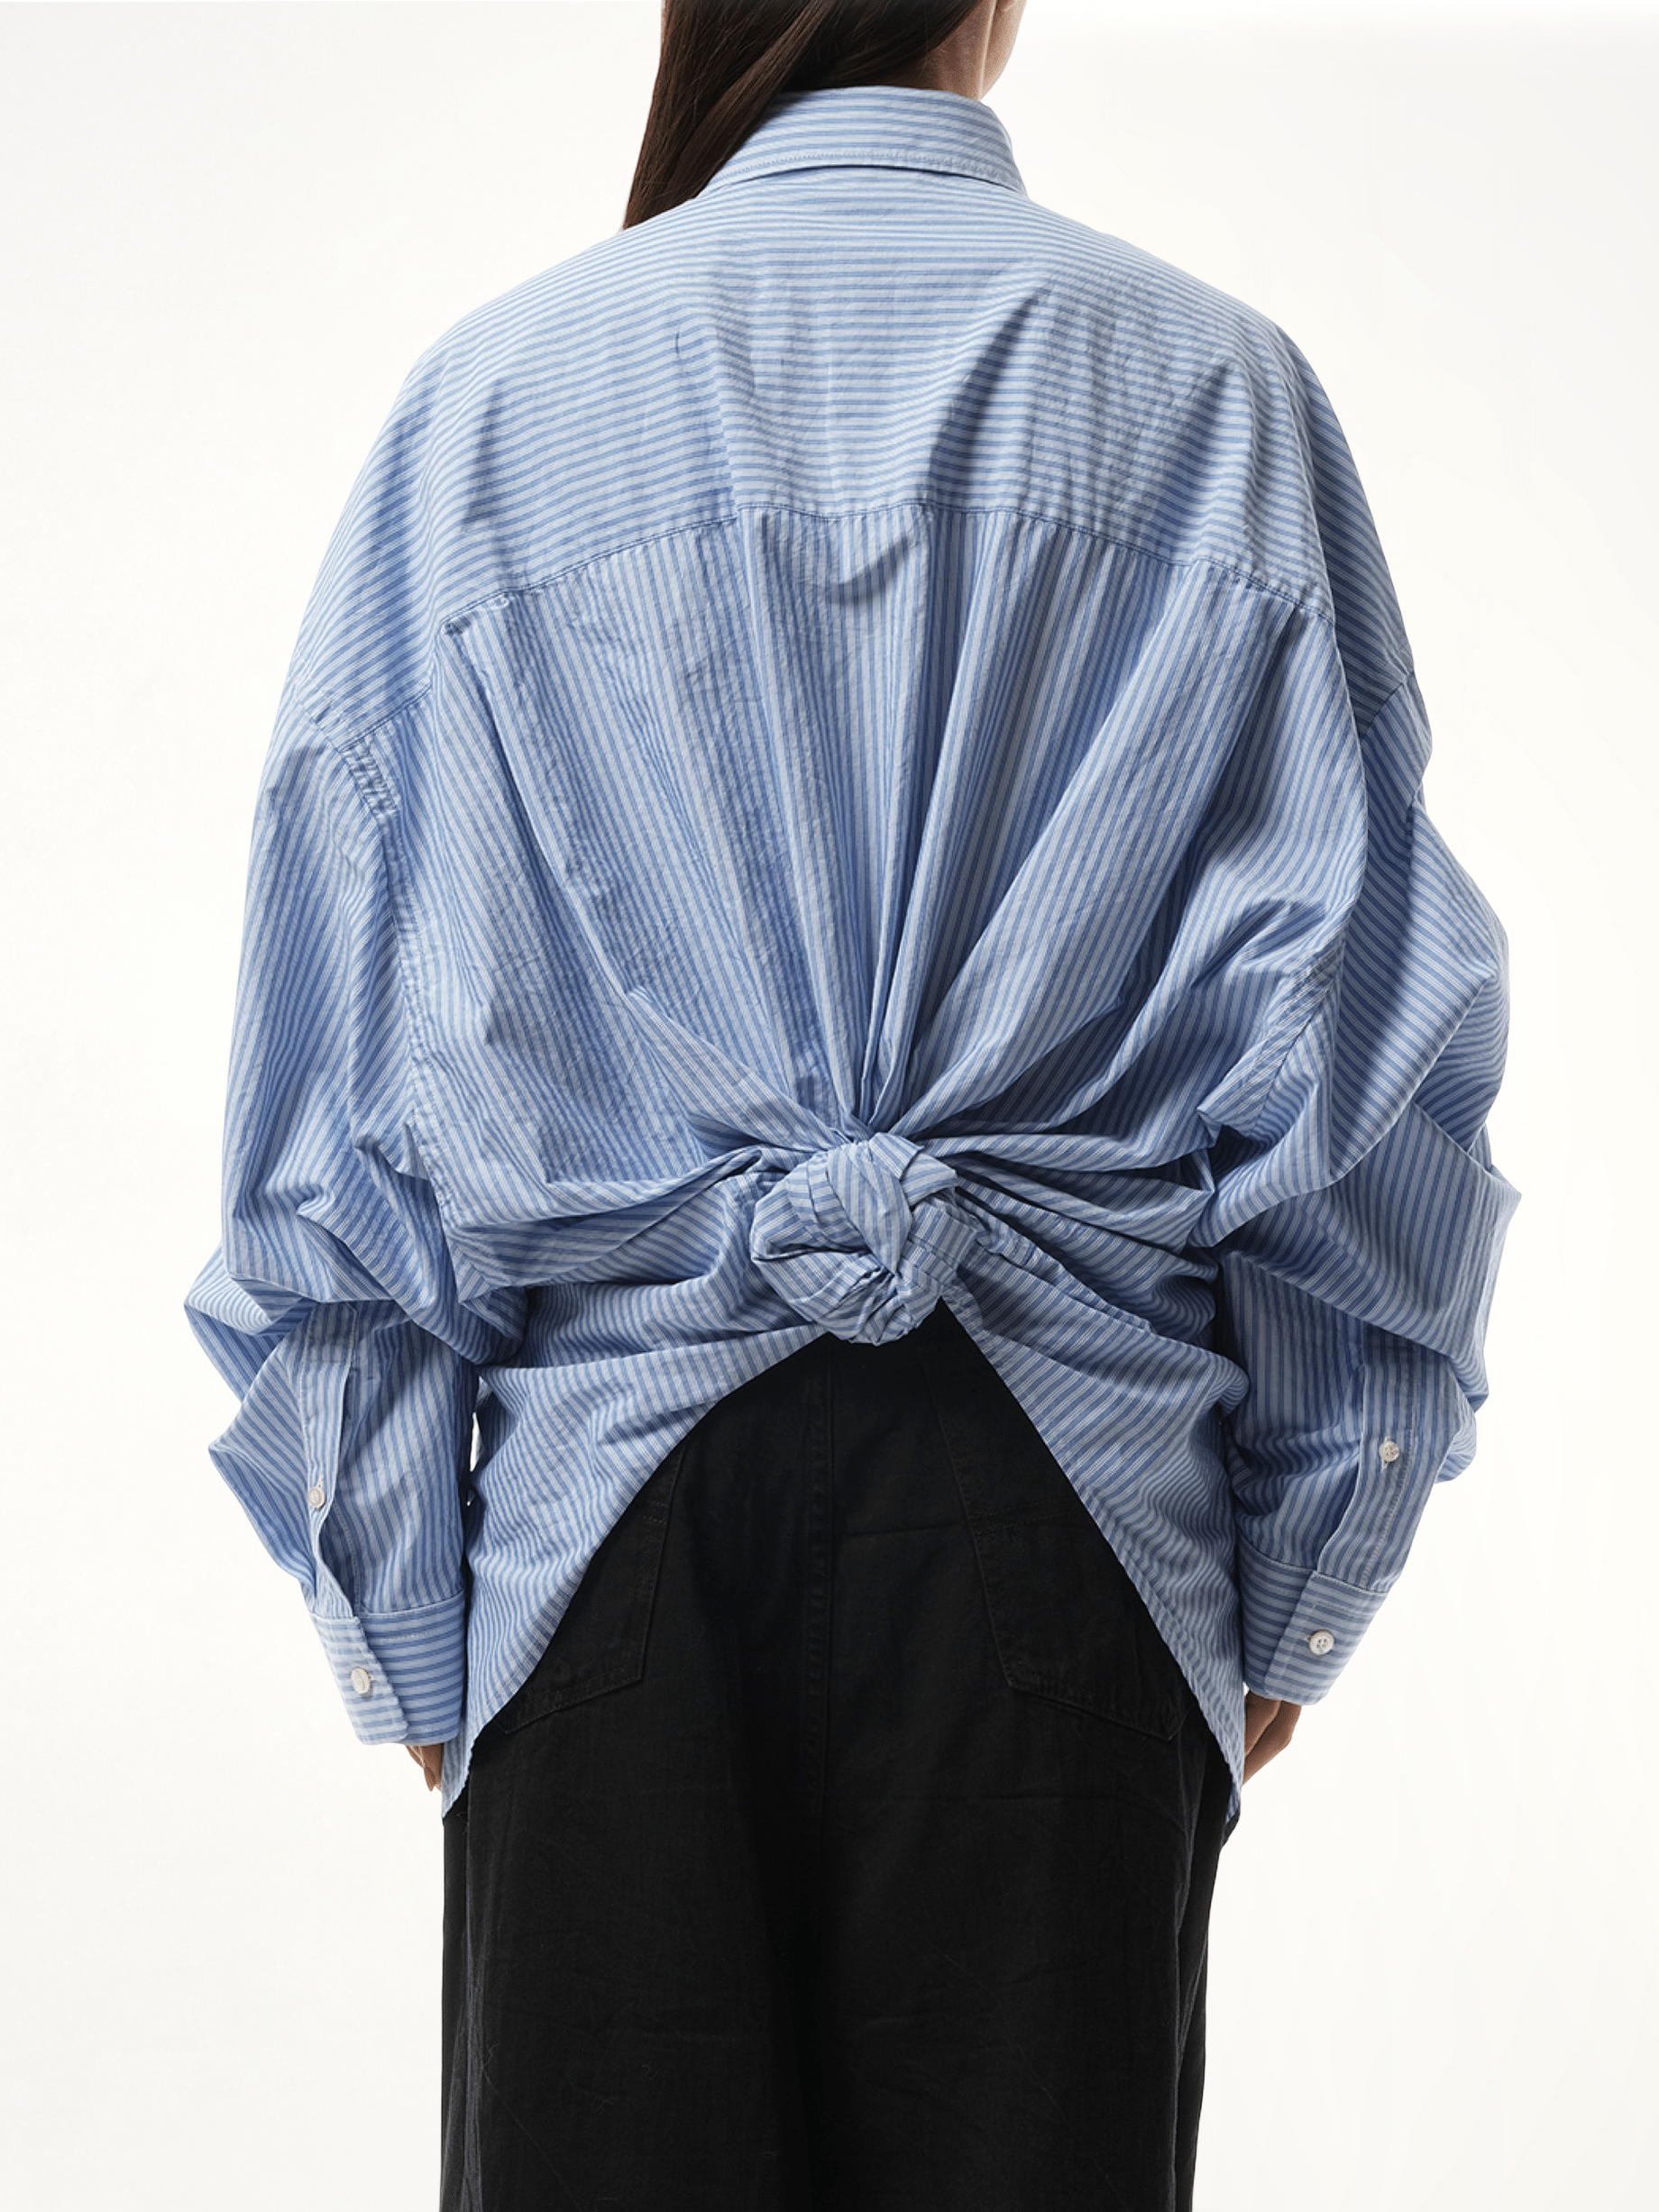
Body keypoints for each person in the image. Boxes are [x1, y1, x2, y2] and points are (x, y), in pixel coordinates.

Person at [184, 2, 1518, 2204]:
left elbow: (334, 1070)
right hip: (1067, 1516)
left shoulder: (492, 403)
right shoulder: (1212, 395)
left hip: (608, 1530)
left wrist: (408, 1597)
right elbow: (1362, 1054)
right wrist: (1301, 1561)